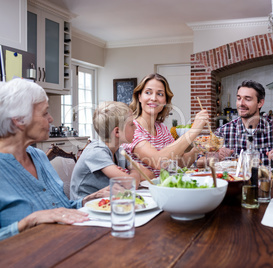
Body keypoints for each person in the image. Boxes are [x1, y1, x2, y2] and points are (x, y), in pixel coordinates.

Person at [0, 79, 109, 241]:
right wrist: (29, 221)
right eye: (45, 113)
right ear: (19, 119)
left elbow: (60, 209)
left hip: (65, 244)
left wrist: (90, 199)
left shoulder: (39, 156)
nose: (50, 119)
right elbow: (43, 216)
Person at [198, 80, 273, 168]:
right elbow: (198, 162)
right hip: (235, 187)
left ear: (260, 103)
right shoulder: (224, 131)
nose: (241, 104)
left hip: (268, 187)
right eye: (238, 98)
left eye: (247, 99)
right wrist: (215, 157)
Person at [121, 73, 209, 177]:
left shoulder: (161, 128)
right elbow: (159, 162)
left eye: (160, 94)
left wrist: (198, 148)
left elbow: (179, 163)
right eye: (148, 92)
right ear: (139, 97)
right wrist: (193, 130)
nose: (153, 98)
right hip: (141, 191)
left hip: (163, 188)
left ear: (165, 101)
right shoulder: (132, 128)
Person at [70, 101, 147, 199]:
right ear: (117, 131)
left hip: (106, 202)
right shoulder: (96, 152)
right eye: (131, 124)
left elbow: (137, 171)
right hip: (85, 208)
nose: (136, 127)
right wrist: (133, 175)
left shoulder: (119, 150)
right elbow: (130, 184)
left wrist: (132, 175)